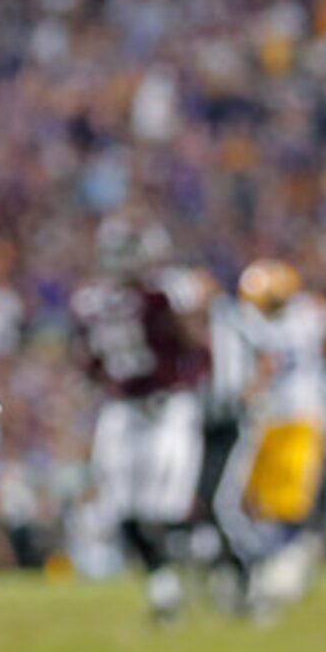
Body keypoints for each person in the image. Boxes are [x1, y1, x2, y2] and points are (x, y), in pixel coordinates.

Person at [72, 258, 209, 623]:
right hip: (124, 409)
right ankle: (164, 589)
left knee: (164, 506)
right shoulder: (98, 302)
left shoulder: (161, 295)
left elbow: (195, 341)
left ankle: (205, 560)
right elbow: (91, 361)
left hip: (166, 407)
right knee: (122, 507)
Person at [222, 260, 326, 620]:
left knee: (279, 500)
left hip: (287, 417)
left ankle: (282, 564)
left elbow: (265, 366)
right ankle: (277, 565)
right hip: (284, 417)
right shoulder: (310, 315)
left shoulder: (284, 322)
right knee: (263, 500)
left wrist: (246, 391)